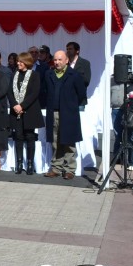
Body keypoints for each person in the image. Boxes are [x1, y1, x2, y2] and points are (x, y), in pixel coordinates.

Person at [43, 49, 86, 180]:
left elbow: (81, 94)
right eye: (55, 59)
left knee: (69, 142)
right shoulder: (48, 74)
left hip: (68, 113)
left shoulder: (74, 75)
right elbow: (45, 91)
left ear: (66, 60)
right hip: (53, 112)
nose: (57, 62)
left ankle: (70, 169)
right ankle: (56, 167)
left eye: (60, 59)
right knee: (55, 141)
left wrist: (71, 105)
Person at [8, 51, 43, 175]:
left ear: (27, 62)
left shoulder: (34, 75)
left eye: (21, 61)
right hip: (15, 111)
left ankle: (29, 163)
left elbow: (34, 93)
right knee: (18, 137)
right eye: (18, 61)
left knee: (29, 137)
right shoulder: (14, 75)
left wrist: (22, 106)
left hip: (29, 111)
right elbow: (9, 92)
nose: (18, 63)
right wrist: (14, 105)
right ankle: (19, 163)